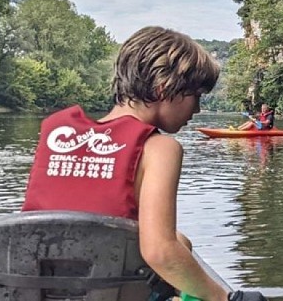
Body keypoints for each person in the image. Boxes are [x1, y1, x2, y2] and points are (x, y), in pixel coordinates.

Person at [21, 26, 267, 301]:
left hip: (39, 288)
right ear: (164, 89)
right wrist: (225, 299)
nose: (197, 110)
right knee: (174, 249)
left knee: (180, 242)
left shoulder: (54, 133)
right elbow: (159, 251)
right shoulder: (160, 148)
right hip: (107, 292)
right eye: (196, 96)